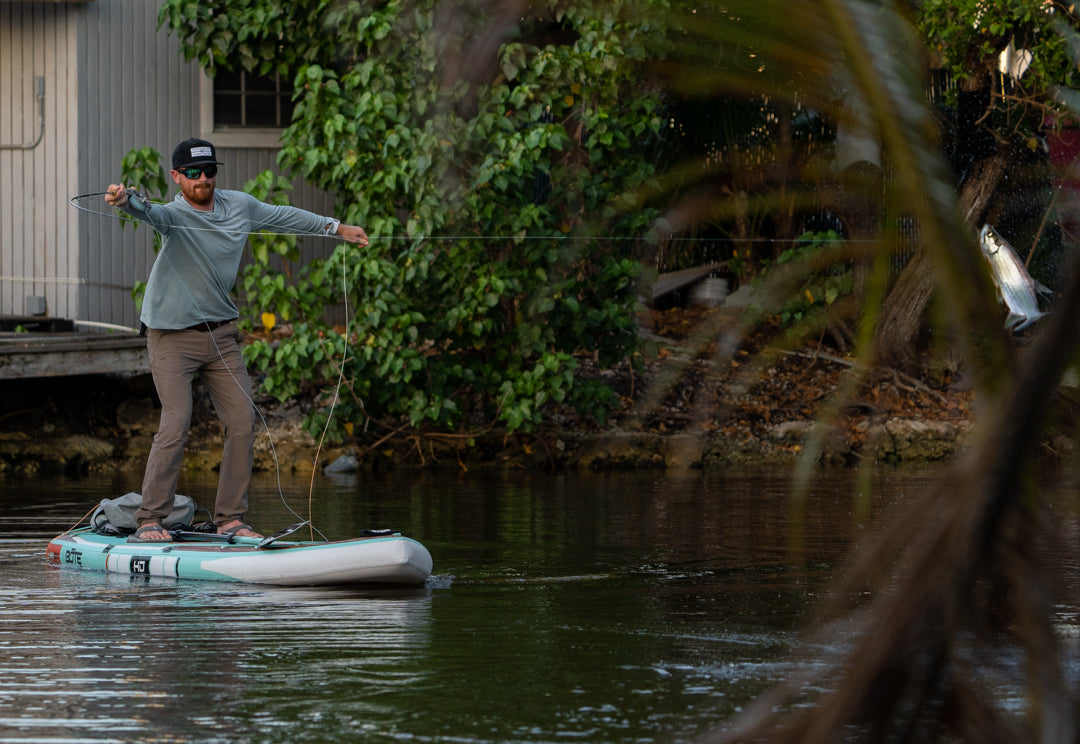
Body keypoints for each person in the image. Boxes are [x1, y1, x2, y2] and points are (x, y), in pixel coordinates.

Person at [105, 138, 369, 543]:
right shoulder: (173, 216)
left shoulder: (240, 206)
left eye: (209, 171)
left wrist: (338, 229)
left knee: (243, 422)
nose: (203, 180)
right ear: (177, 177)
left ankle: (230, 518)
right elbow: (148, 212)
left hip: (221, 335)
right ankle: (149, 520)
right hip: (170, 336)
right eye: (193, 173)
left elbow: (285, 216)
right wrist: (126, 201)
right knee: (176, 424)